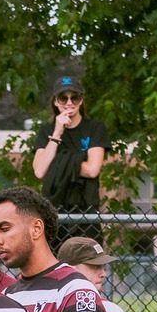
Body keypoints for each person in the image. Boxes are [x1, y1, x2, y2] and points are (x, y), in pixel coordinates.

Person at [29, 79, 110, 231]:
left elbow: (92, 170)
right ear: (55, 102)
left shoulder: (94, 127)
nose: (69, 102)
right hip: (54, 211)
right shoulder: (47, 130)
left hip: (86, 211)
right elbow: (40, 170)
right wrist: (57, 133)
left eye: (75, 97)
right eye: (63, 98)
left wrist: (56, 163)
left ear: (81, 101)